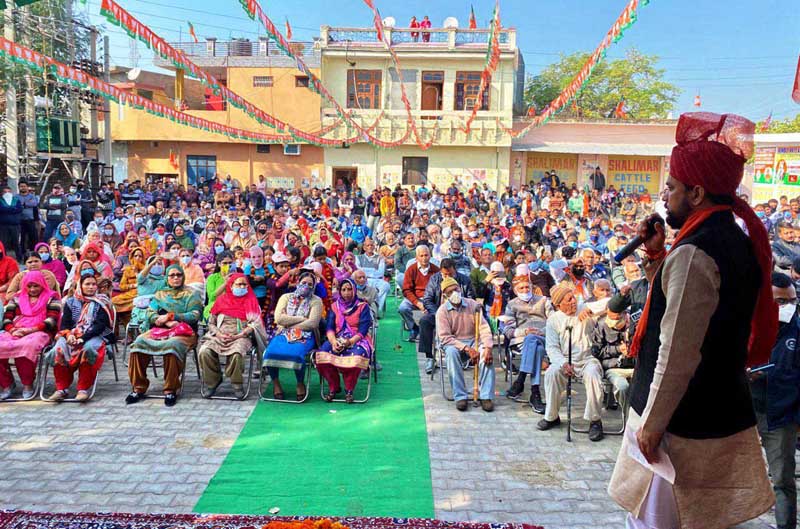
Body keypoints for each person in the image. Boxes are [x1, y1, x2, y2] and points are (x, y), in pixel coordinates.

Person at [609, 113, 776, 528]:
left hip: (678, 428)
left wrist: (652, 426)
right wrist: (656, 256)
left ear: (697, 192)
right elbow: (680, 306)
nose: (665, 196)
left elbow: (678, 351)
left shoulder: (695, 253)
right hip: (714, 412)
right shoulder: (733, 240)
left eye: (672, 187)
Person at [749, 272, 798, 529]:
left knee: (782, 480)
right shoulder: (743, 325)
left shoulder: (797, 331)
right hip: (742, 413)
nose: (788, 307)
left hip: (780, 416)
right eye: (781, 301)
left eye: (792, 301)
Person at [125, 264, 203, 407]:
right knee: (138, 342)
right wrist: (164, 321)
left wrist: (172, 316)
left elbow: (195, 315)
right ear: (167, 278)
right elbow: (150, 313)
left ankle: (170, 389)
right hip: (160, 329)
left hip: (184, 332)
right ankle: (138, 388)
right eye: (172, 275)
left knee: (172, 346)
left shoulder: (191, 294)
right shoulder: (160, 294)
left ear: (183, 276)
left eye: (178, 275)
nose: (175, 278)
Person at [538, 283, 605, 441]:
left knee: (593, 375)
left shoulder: (583, 308)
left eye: (573, 298)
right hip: (565, 361)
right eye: (569, 300)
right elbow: (552, 348)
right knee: (551, 373)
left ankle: (595, 421)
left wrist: (590, 311)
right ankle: (552, 416)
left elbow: (608, 303)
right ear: (559, 304)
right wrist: (563, 363)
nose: (573, 301)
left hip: (587, 359)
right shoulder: (553, 320)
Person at [44, 274, 115, 402]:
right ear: (80, 286)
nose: (91, 287)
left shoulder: (102, 302)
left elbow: (100, 326)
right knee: (59, 349)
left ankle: (83, 388)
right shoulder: (70, 301)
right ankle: (61, 388)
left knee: (88, 350)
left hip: (95, 334)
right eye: (87, 284)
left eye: (93, 284)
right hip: (72, 334)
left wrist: (83, 338)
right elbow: (64, 324)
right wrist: (69, 335)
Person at [198, 273, 266, 399]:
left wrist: (240, 335)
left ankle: (237, 384)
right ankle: (213, 381)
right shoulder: (221, 300)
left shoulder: (251, 301)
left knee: (236, 354)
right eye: (238, 284)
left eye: (244, 284)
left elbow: (255, 324)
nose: (242, 287)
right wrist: (218, 334)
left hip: (241, 336)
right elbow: (211, 323)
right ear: (231, 286)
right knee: (204, 351)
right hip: (219, 335)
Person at [436, 276, 495, 412]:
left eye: (456, 289)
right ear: (445, 295)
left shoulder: (473, 305)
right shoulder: (442, 311)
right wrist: (466, 348)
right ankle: (460, 396)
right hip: (454, 343)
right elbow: (445, 337)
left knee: (486, 355)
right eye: (450, 292)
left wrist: (488, 347)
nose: (454, 293)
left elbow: (484, 328)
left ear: (460, 289)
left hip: (474, 340)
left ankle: (486, 396)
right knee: (451, 353)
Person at [0, 271, 61, 400]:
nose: (32, 289)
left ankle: (27, 384)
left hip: (41, 331)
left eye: (36, 286)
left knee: (26, 346)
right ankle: (6, 384)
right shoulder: (16, 298)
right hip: (16, 330)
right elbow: (7, 318)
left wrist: (29, 330)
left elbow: (52, 321)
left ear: (42, 284)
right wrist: (12, 330)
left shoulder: (52, 298)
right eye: (29, 286)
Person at [262, 270, 322, 401]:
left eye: (310, 284)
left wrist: (288, 323)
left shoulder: (316, 301)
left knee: (296, 354)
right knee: (270, 352)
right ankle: (276, 383)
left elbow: (312, 323)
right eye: (303, 283)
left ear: (314, 287)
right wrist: (302, 318)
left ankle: (300, 383)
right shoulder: (286, 297)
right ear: (297, 282)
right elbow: (278, 319)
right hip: (283, 333)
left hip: (306, 335)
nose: (306, 286)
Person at [315, 278, 374, 403]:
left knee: (356, 357)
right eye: (343, 290)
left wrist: (349, 342)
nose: (346, 293)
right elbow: (329, 327)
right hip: (337, 338)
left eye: (349, 289)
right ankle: (334, 387)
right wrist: (333, 342)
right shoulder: (334, 306)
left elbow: (363, 330)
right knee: (321, 356)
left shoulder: (362, 306)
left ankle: (349, 390)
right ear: (339, 291)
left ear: (354, 290)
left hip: (357, 339)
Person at [419, 258, 476, 374]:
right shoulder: (434, 279)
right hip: (439, 313)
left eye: (450, 274)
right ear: (441, 272)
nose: (448, 276)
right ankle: (430, 357)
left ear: (455, 270)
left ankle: (466, 355)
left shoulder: (464, 280)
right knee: (424, 321)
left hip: (461, 314)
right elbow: (427, 300)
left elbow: (471, 299)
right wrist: (439, 314)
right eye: (445, 274)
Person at [503, 275, 550, 413]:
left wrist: (542, 331)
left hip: (544, 337)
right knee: (536, 348)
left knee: (533, 340)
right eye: (521, 288)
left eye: (527, 287)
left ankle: (521, 380)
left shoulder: (543, 301)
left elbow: (554, 322)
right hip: (522, 341)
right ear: (516, 290)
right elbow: (507, 330)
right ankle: (535, 392)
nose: (525, 290)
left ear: (532, 287)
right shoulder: (511, 305)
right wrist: (524, 331)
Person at [590, 295, 633, 412]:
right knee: (623, 387)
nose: (612, 321)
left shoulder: (633, 324)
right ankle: (627, 417)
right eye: (610, 316)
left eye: (616, 318)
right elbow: (597, 351)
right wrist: (618, 349)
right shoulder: (602, 324)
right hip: (613, 367)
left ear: (624, 314)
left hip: (634, 366)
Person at [399, 244, 439, 342]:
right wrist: (417, 303)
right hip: (415, 298)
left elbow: (438, 289)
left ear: (430, 256)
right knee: (403, 308)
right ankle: (413, 328)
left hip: (430, 299)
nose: (424, 258)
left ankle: (431, 332)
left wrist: (429, 303)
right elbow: (406, 290)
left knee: (436, 312)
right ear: (416, 257)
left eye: (426, 255)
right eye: (421, 256)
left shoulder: (436, 270)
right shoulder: (411, 269)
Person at [0, 186, 23, 260]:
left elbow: (19, 209)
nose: (7, 193)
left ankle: (19, 258)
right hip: (3, 226)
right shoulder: (0, 200)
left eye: (9, 191)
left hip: (15, 225)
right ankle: (3, 258)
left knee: (16, 242)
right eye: (5, 192)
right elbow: (1, 209)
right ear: (2, 193)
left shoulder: (16, 200)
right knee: (3, 243)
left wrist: (6, 209)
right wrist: (12, 209)